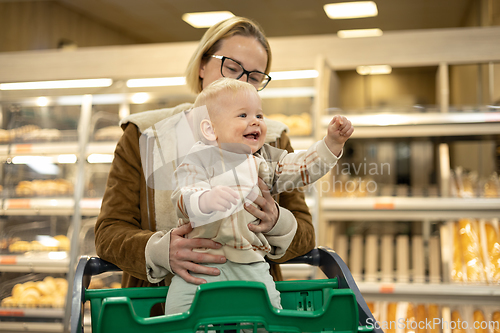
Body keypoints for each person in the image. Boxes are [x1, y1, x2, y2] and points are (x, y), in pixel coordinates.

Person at [94, 16, 318, 316]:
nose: (240, 82)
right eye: (232, 67)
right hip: (161, 310)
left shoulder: (272, 137)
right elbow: (108, 232)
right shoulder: (145, 135)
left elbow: (306, 232)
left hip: (250, 307)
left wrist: (277, 222)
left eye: (254, 77)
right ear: (201, 66)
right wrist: (161, 251)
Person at [166, 78, 353, 314]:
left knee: (266, 315)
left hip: (251, 264)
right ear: (210, 129)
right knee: (180, 314)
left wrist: (331, 144)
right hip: (199, 265)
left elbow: (300, 168)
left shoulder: (261, 165)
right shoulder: (197, 161)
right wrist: (204, 200)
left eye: (259, 116)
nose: (255, 121)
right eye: (243, 115)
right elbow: (183, 195)